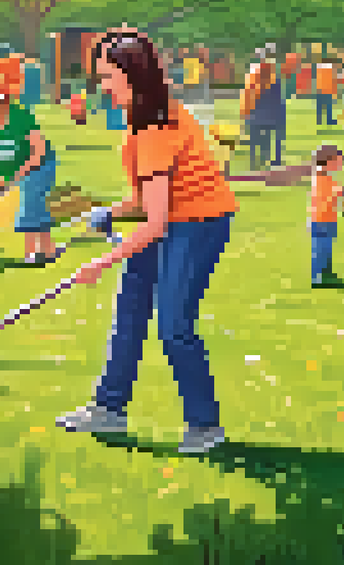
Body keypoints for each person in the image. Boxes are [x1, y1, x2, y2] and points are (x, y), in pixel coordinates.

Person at [60, 31, 236, 456]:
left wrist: (101, 263)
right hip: (173, 216)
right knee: (131, 312)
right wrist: (109, 212)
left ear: (131, 74)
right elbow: (147, 200)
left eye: (107, 77)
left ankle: (205, 425)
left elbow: (155, 222)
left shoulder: (155, 126)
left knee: (174, 325)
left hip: (199, 224)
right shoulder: (144, 116)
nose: (102, 87)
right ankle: (109, 409)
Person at [0, 71, 59, 264]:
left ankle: (33, 253)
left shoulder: (20, 116)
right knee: (35, 204)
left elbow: (39, 151)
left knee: (30, 201)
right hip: (13, 168)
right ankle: (48, 250)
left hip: (40, 164)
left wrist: (18, 177)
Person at [308, 144, 344, 287]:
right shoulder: (320, 177)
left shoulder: (324, 176)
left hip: (328, 219)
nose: (340, 166)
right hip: (321, 220)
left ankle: (326, 274)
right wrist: (336, 193)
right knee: (320, 250)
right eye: (338, 162)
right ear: (328, 161)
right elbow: (322, 201)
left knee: (327, 249)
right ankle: (318, 276)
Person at [314, 60, 337, 126]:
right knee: (328, 106)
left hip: (320, 90)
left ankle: (319, 120)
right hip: (327, 90)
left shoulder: (319, 69)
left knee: (320, 106)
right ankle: (328, 120)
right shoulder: (328, 69)